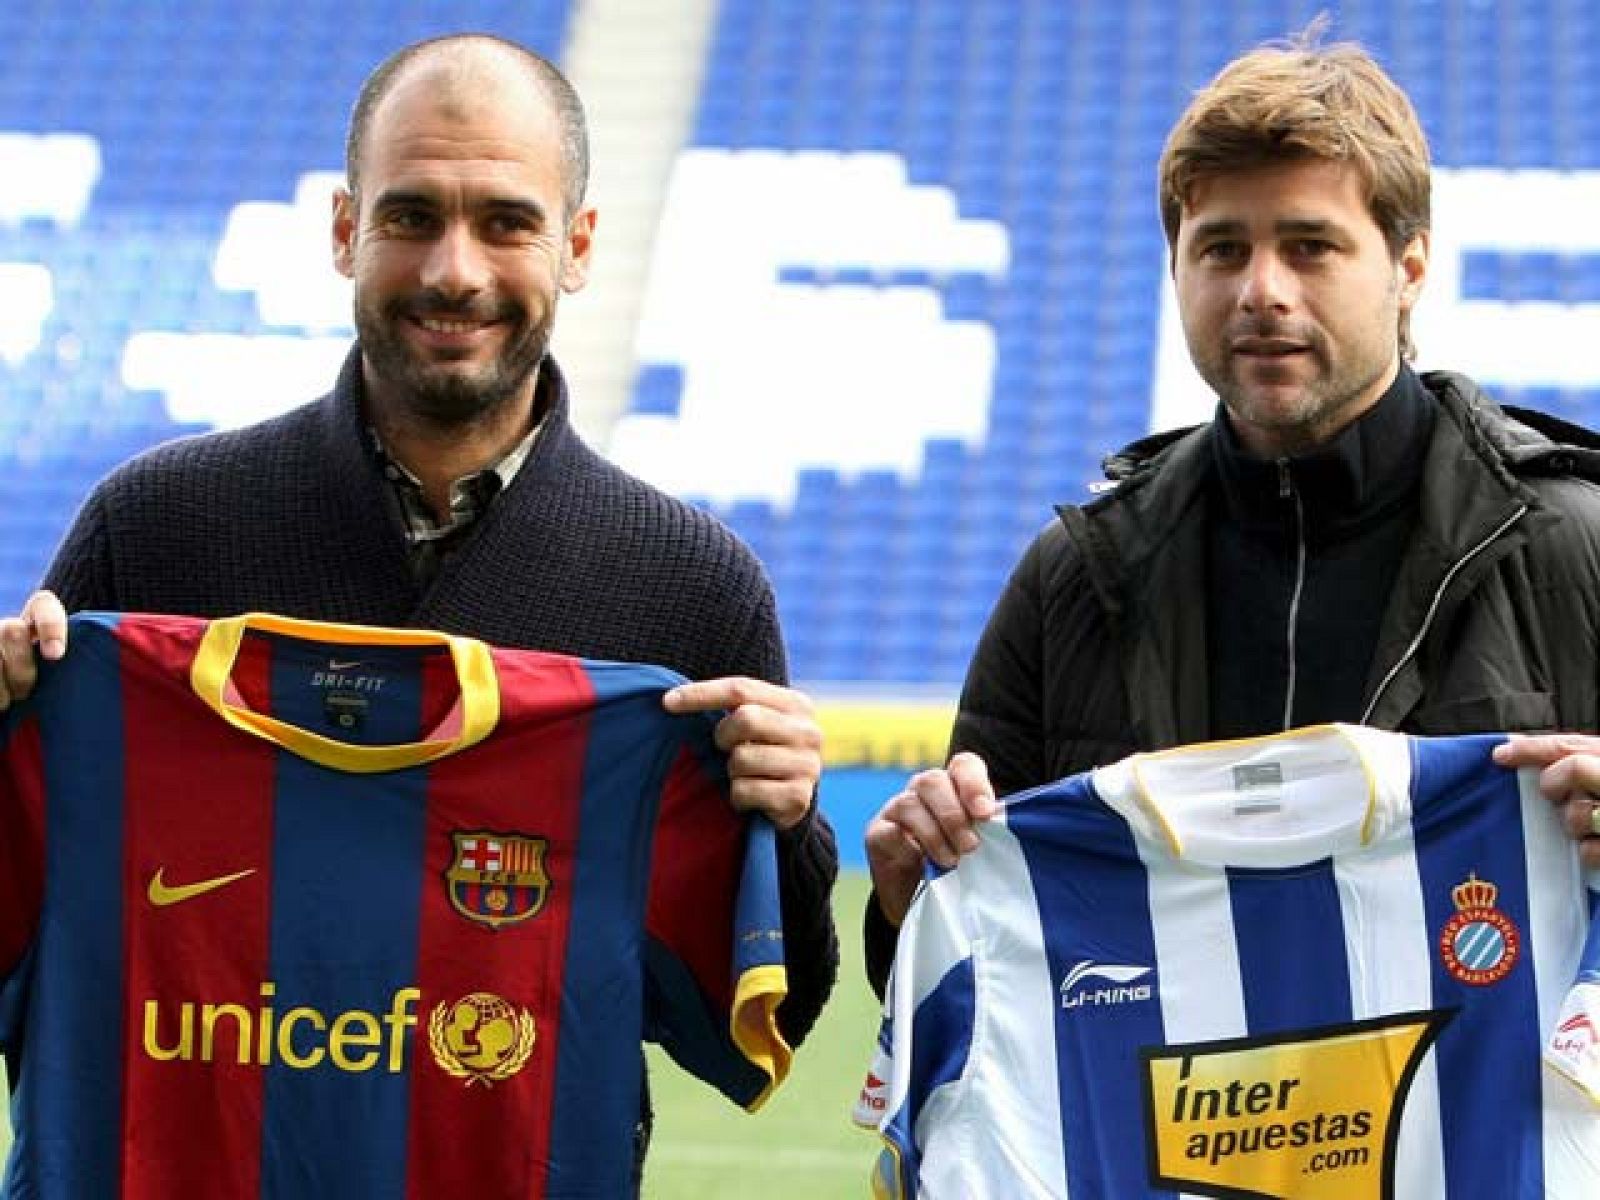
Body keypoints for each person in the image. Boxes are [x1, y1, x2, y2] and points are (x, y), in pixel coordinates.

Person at [0, 32, 838, 1185]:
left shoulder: (688, 585)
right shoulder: (153, 528)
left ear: (578, 245)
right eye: (409, 218)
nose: (455, 270)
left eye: (505, 220)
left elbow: (763, 1012)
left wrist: (787, 824)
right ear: (345, 231)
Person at [864, 28, 1600, 993]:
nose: (1262, 292)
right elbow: (975, 968)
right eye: (1222, 248)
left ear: (1410, 266)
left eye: (1310, 247)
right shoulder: (1078, 576)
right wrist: (903, 894)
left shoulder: (1568, 547)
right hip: (1173, 1139)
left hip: (1473, 1139)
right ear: (1176, 268)